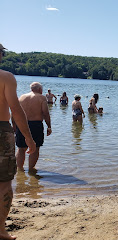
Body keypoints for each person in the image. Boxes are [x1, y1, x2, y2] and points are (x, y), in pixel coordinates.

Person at [0, 43, 36, 240]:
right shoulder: (5, 78)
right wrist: (29, 138)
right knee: (4, 182)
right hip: (1, 130)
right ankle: (0, 230)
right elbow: (15, 109)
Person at [15, 82, 52, 171]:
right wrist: (49, 126)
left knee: (21, 148)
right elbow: (45, 113)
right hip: (35, 125)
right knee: (35, 148)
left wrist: (14, 126)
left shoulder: (22, 97)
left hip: (22, 124)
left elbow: (15, 111)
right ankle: (31, 170)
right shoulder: (41, 98)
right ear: (40, 89)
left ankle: (20, 170)